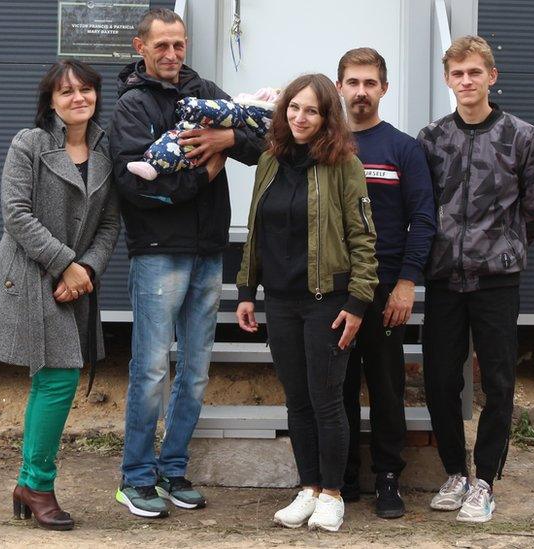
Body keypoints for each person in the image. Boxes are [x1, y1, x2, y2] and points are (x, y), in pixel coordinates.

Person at [109, 8, 265, 518]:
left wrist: (224, 140)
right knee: (152, 368)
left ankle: (173, 469)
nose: (172, 55)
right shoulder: (132, 106)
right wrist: (202, 175)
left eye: (179, 44)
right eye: (161, 46)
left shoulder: (207, 89)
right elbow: (134, 186)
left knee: (195, 371)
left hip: (207, 250)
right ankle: (135, 476)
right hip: (158, 254)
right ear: (141, 47)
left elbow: (261, 140)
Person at [0, 59, 120, 531]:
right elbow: (15, 213)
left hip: (75, 281)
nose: (79, 98)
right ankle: (37, 484)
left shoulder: (105, 148)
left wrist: (88, 269)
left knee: (53, 377)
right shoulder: (30, 144)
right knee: (58, 377)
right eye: (67, 92)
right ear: (51, 101)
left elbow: (110, 222)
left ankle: (27, 482)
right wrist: (67, 263)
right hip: (33, 273)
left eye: (86, 90)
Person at [417, 35, 534, 523]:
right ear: (447, 79)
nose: (467, 81)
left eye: (475, 72)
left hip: (497, 280)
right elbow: (422, 207)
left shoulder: (522, 136)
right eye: (458, 73)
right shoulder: (431, 138)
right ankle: (455, 471)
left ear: (491, 76)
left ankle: (486, 481)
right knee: (439, 378)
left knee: (498, 382)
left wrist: (505, 249)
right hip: (444, 279)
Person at [235, 73, 378, 532]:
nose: (300, 117)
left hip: (327, 301)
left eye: (311, 110)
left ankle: (333, 494)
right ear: (284, 110)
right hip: (280, 300)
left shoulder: (344, 164)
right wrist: (245, 291)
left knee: (326, 399)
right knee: (296, 400)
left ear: (326, 117)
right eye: (294, 107)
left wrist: (358, 303)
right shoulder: (269, 161)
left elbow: (363, 237)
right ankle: (308, 488)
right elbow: (256, 230)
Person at [334, 48, 436, 518]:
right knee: (339, 385)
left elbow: (423, 218)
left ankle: (389, 478)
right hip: (335, 288)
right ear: (339, 87)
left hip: (385, 288)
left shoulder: (403, 148)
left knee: (387, 384)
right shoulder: (326, 145)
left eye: (369, 83)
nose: (361, 91)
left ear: (384, 89)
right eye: (353, 82)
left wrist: (407, 282)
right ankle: (344, 475)